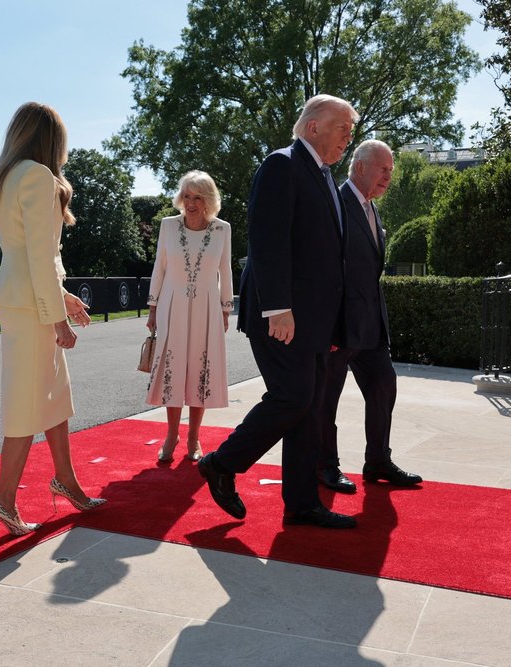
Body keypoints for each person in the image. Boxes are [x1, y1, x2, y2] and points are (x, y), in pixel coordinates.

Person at [198, 94, 358, 529]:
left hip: (315, 319)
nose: (349, 135)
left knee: (307, 404)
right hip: (282, 316)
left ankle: (302, 503)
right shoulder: (282, 165)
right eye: (343, 127)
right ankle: (221, 464)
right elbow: (268, 242)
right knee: (293, 397)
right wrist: (278, 309)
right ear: (313, 128)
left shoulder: (324, 175)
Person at [0, 101, 103, 539]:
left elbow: (33, 256)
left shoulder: (5, 178)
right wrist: (58, 320)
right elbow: (39, 254)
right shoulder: (36, 175)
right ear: (51, 139)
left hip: (23, 296)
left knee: (52, 396)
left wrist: (64, 297)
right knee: (26, 402)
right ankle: (4, 501)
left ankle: (65, 481)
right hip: (31, 305)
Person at [318, 139, 422, 494]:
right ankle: (325, 466)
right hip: (340, 327)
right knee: (325, 400)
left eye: (391, 171)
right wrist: (327, 328)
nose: (388, 177)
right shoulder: (337, 203)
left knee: (383, 388)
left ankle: (377, 460)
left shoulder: (372, 208)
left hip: (371, 328)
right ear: (360, 167)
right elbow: (327, 272)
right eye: (383, 169)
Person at [145, 171, 234, 464]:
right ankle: (172, 435)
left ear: (208, 200)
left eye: (198, 197)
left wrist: (224, 309)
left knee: (200, 369)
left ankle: (194, 437)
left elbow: (226, 270)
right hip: (172, 305)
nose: (191, 203)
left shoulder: (222, 230)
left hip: (208, 308)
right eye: (187, 196)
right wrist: (153, 307)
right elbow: (159, 266)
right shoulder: (168, 226)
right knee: (173, 367)